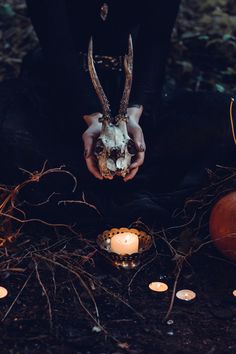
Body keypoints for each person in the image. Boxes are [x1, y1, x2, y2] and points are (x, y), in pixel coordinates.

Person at [25, 0, 180, 182]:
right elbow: (56, 46)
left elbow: (156, 41)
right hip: (65, 81)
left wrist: (133, 113)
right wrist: (91, 116)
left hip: (133, 82)